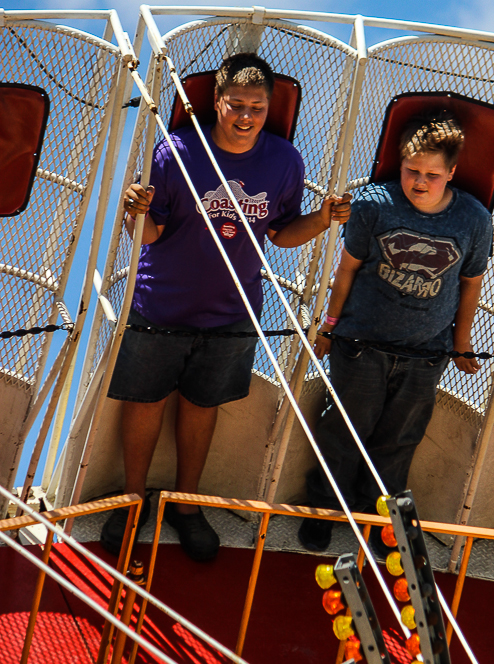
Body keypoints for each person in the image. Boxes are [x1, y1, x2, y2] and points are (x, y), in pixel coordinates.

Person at [100, 53, 351, 560]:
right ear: (215, 102)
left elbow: (281, 236)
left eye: (256, 107)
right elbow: (150, 235)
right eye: (235, 104)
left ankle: (186, 505)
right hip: (161, 306)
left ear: (268, 108)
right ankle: (131, 501)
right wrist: (134, 213)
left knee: (202, 405)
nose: (245, 116)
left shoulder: (285, 161)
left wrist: (323, 220)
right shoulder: (176, 151)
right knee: (145, 402)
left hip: (233, 311)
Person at [298, 111, 493, 553]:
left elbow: (470, 285)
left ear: (452, 174)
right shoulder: (373, 204)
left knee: (399, 441)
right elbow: (346, 271)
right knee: (344, 430)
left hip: (426, 354)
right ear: (399, 164)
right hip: (361, 346)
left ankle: (378, 522)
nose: (420, 182)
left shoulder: (474, 220)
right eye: (412, 171)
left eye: (432, 175)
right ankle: (324, 509)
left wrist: (460, 346)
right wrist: (329, 327)